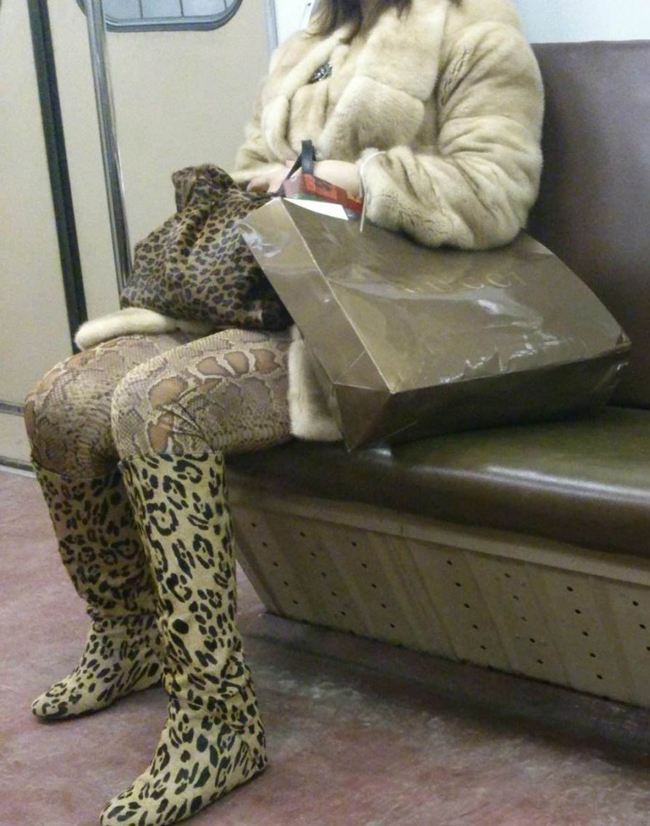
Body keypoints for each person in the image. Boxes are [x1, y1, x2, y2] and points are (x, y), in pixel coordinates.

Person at [25, 1, 543, 824]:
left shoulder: (475, 34)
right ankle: (128, 635)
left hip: (370, 320)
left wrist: (352, 182)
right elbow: (252, 177)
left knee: (161, 409)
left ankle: (217, 722)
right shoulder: (308, 42)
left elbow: (497, 192)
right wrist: (259, 191)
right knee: (60, 401)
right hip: (266, 300)